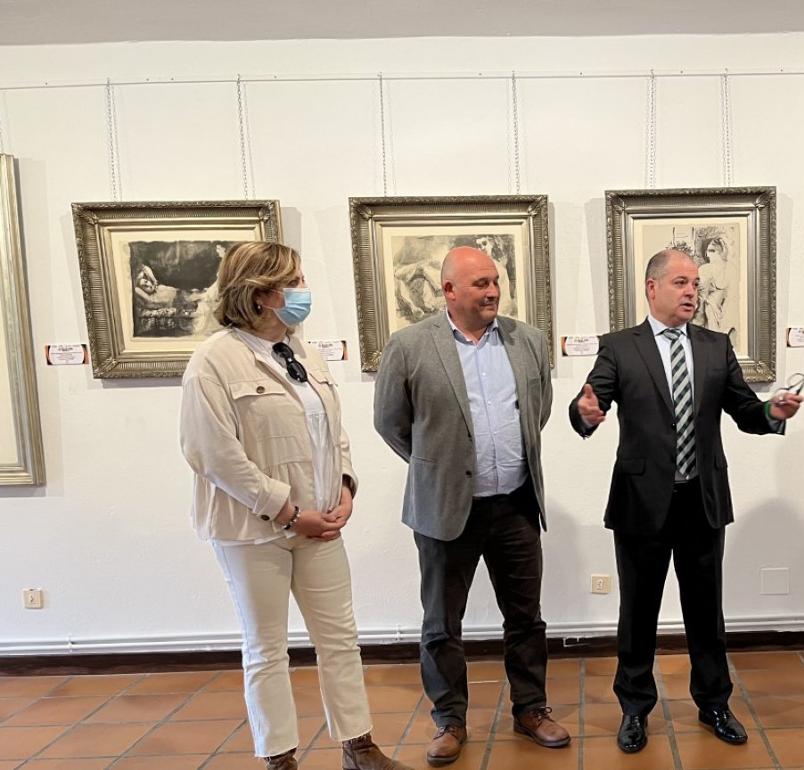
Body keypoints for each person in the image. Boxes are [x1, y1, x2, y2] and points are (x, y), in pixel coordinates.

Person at [179, 242, 411, 770]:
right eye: (295, 282)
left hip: (322, 525)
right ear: (261, 293)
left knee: (340, 640)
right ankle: (279, 758)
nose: (304, 292)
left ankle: (359, 746)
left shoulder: (305, 352)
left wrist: (346, 487)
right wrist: (285, 509)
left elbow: (333, 431)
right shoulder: (214, 361)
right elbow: (213, 454)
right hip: (251, 531)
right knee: (266, 648)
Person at [570, 249, 803, 754]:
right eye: (681, 283)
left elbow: (744, 410)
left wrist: (772, 410)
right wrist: (584, 412)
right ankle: (634, 709)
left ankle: (714, 702)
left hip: (702, 499)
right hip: (640, 504)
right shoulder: (619, 348)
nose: (692, 292)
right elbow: (594, 401)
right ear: (652, 288)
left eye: (696, 284)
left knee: (705, 611)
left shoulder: (716, 346)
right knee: (638, 613)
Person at [373, 246, 568, 767]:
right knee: (441, 623)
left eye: (495, 281)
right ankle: (449, 719)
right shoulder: (410, 346)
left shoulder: (529, 341)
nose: (492, 291)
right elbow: (390, 422)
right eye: (480, 283)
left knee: (526, 618)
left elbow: (538, 410)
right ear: (449, 292)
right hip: (444, 509)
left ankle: (531, 708)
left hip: (517, 504)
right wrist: (440, 466)